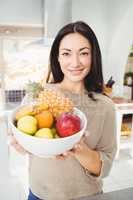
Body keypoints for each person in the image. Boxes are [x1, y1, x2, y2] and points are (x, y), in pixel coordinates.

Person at [10, 21, 117, 200]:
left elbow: (104, 168)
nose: (75, 62)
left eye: (83, 53)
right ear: (57, 57)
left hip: (87, 196)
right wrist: (22, 144)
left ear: (93, 57)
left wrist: (77, 148)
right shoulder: (39, 94)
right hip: (40, 194)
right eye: (66, 53)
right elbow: (26, 143)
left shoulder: (105, 106)